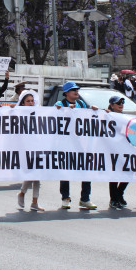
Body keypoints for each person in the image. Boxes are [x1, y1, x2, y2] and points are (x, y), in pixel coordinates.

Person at [56, 81, 98, 210]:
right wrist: (63, 110)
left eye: (77, 90)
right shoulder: (60, 104)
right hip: (67, 144)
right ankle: (65, 198)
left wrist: (94, 110)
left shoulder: (81, 104)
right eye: (73, 90)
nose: (76, 92)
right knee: (66, 172)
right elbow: (55, 114)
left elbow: (89, 117)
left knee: (86, 171)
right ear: (67, 93)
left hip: (82, 144)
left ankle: (85, 199)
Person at [13, 90, 44, 211]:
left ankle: (33, 200)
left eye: (32, 101)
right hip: (24, 148)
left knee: (36, 174)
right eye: (28, 101)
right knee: (33, 173)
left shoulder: (38, 113)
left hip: (38, 146)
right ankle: (23, 194)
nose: (31, 103)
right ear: (23, 103)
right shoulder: (18, 114)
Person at [106, 94, 129, 209]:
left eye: (122, 103)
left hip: (125, 149)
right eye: (118, 103)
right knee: (114, 175)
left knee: (128, 172)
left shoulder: (125, 118)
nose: (121, 105)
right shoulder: (107, 115)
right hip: (112, 149)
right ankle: (114, 199)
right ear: (112, 105)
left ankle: (119, 194)